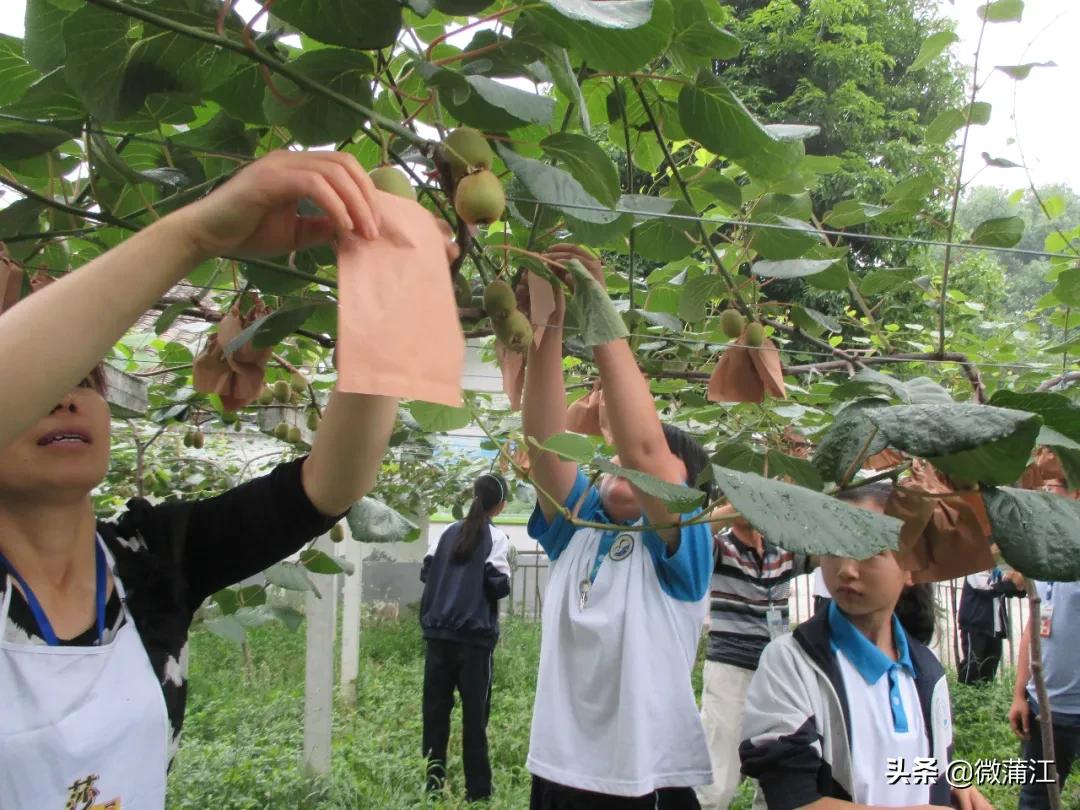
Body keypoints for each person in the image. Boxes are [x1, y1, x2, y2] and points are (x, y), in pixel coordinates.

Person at [0, 151, 459, 808]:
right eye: (42, 388)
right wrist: (196, 234)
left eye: (83, 385)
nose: (66, 401)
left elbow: (328, 486)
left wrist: (389, 302)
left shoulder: (153, 557)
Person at [522, 244, 714, 809]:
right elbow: (543, 446)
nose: (625, 461)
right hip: (558, 773)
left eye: (654, 464)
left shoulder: (682, 551)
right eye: (616, 456)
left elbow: (645, 448)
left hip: (647, 780)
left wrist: (597, 306)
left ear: (687, 490)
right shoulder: (581, 525)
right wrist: (551, 320)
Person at [739, 483, 991, 810]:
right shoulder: (792, 664)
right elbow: (792, 798)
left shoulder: (927, 671)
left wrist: (951, 782)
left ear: (912, 567)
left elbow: (900, 763)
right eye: (834, 546)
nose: (846, 569)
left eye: (868, 549)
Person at [697, 509, 814, 809]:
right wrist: (731, 506)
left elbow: (820, 548)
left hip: (776, 673)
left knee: (778, 770)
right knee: (718, 772)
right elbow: (694, 533)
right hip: (730, 670)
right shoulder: (721, 548)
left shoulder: (782, 551)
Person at [420, 472, 512, 802]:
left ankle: (431, 788)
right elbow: (497, 585)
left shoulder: (446, 532)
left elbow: (426, 572)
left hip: (437, 637)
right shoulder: (497, 539)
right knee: (475, 720)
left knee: (434, 715)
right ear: (500, 506)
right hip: (474, 642)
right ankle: (478, 794)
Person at [1008, 479, 1080, 810]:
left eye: (1054, 488)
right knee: (1036, 800)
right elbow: (1033, 626)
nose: (1044, 495)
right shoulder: (1047, 554)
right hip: (1044, 710)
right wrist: (1020, 693)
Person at [957, 557, 1025, 685]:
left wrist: (1021, 586)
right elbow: (987, 589)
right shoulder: (975, 566)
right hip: (975, 625)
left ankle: (985, 697)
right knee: (973, 665)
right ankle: (966, 697)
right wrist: (1013, 584)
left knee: (991, 664)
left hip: (995, 627)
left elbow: (1011, 587)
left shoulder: (999, 568)